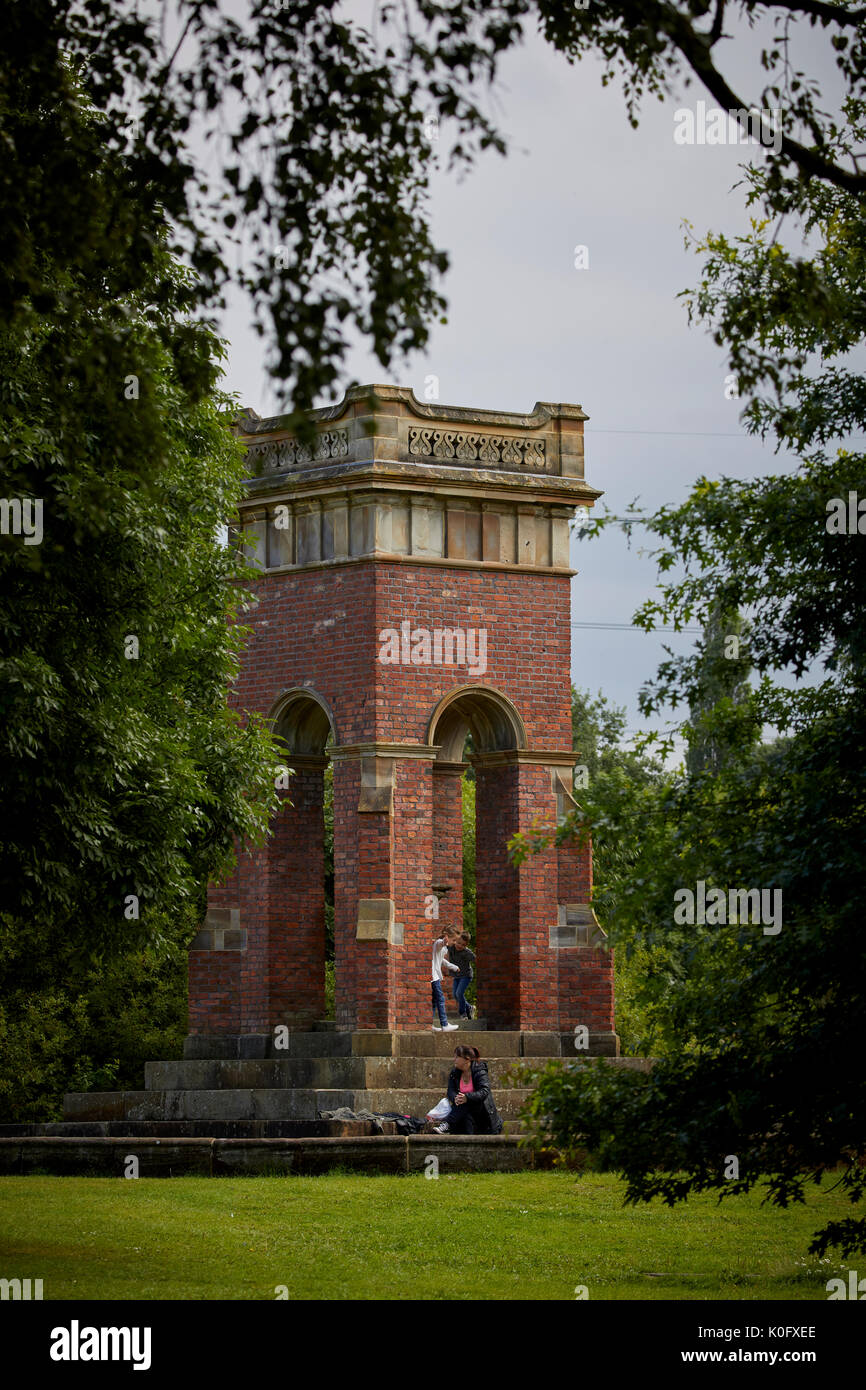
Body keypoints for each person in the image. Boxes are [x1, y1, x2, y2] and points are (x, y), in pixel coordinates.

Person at [432, 1045, 504, 1134]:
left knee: (466, 1102)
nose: (454, 1059)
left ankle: (448, 1124)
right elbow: (450, 1091)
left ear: (467, 1059)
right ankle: (450, 1126)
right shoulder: (454, 1073)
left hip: (482, 1113)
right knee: (463, 1104)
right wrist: (455, 1098)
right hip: (465, 1114)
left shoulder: (480, 1071)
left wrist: (467, 1097)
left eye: (457, 1057)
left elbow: (484, 1091)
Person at [431, 927, 460, 1032]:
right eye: (454, 940)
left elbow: (442, 960)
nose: (455, 942)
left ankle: (429, 1024)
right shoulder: (438, 943)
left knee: (434, 1001)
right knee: (441, 999)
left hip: (435, 977)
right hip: (433, 977)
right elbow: (440, 944)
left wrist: (454, 967)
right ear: (448, 937)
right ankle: (444, 1024)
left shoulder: (443, 948)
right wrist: (444, 941)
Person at [447, 931, 476, 1021]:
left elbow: (475, 959)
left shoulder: (467, 952)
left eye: (463, 945)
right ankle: (469, 1007)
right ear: (456, 940)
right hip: (457, 976)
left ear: (466, 945)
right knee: (455, 995)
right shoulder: (451, 947)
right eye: (458, 943)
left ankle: (463, 1014)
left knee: (459, 993)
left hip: (466, 976)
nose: (460, 946)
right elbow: (444, 943)